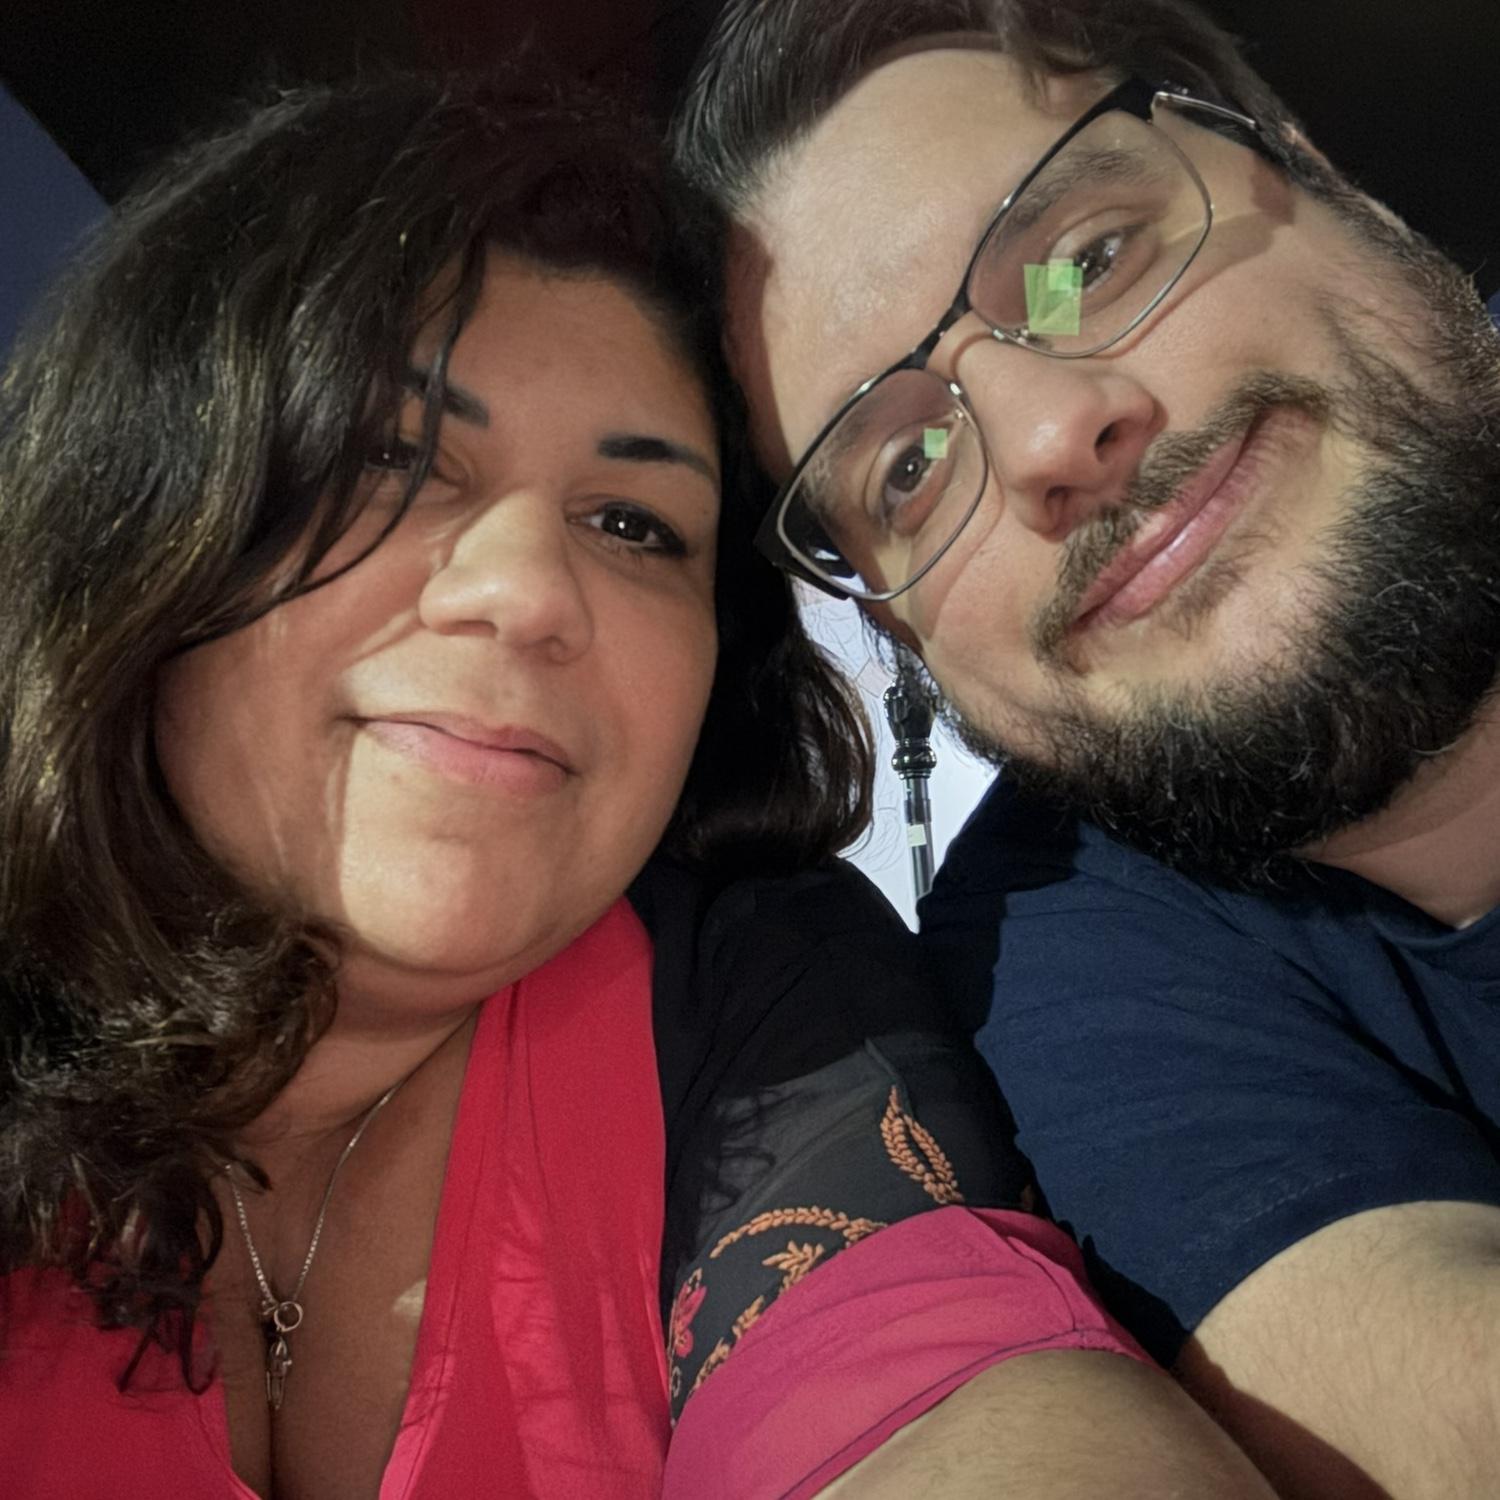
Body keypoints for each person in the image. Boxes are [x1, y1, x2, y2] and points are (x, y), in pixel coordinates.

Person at [0, 65, 1277, 1500]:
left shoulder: (751, 987)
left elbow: (954, 1392)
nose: (528, 592)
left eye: (634, 523)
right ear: (144, 505)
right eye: (392, 457)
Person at [677, 2, 1500, 1496]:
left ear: (1317, 175)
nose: (1051, 439)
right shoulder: (1046, 951)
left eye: (1089, 259)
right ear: (904, 637)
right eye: (909, 470)